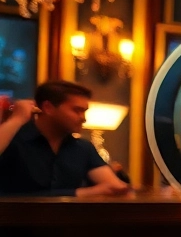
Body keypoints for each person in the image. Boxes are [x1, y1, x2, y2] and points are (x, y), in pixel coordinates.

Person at [0, 80, 131, 197]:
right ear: (48, 108)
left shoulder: (83, 148)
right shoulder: (13, 140)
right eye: (77, 110)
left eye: (84, 111)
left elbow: (114, 188)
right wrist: (17, 119)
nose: (83, 118)